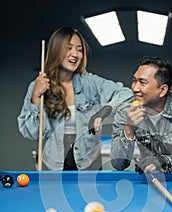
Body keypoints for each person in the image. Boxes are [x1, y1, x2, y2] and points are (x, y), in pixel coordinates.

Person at [17, 27, 133, 170]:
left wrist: (105, 111)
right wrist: (35, 98)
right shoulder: (38, 86)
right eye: (69, 48)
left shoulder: (91, 83)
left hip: (89, 166)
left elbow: (127, 95)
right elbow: (32, 133)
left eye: (79, 49)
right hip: (54, 166)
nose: (76, 54)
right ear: (56, 50)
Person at [110, 56, 172, 173]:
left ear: (162, 90)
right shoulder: (125, 111)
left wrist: (161, 161)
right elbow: (118, 164)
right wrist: (129, 129)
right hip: (147, 178)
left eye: (142, 83)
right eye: (134, 81)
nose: (134, 88)